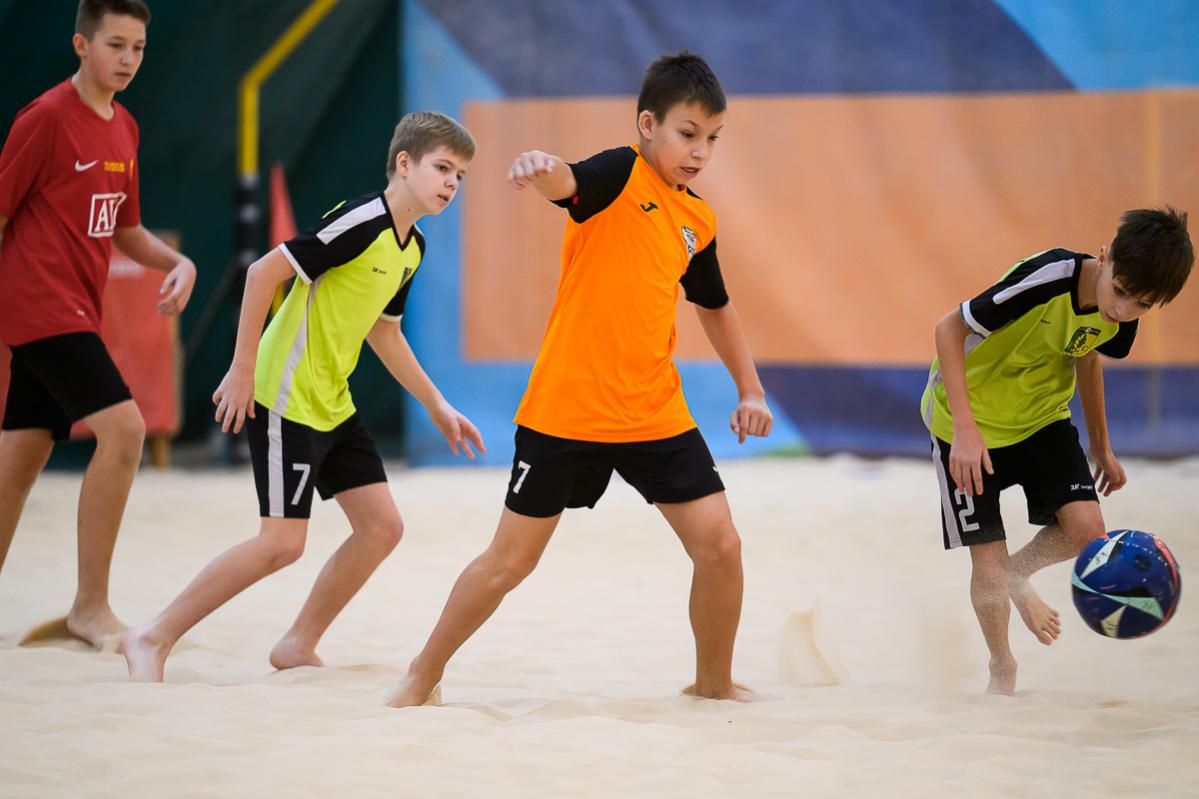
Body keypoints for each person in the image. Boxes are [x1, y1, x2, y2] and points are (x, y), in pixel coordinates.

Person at [386, 51, 773, 708]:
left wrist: (750, 389)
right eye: (687, 133)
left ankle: (713, 684)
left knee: (721, 545)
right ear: (648, 124)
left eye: (712, 138)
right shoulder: (620, 173)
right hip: (567, 409)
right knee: (510, 561)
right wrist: (543, 168)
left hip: (653, 410)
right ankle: (422, 673)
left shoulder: (697, 219)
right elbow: (571, 183)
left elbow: (713, 306)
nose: (700, 151)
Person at [121, 111, 483, 681]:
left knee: (381, 528)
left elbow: (384, 332)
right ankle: (152, 635)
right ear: (404, 163)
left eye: (460, 175)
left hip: (331, 401)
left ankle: (297, 643)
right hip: (284, 394)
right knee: (281, 543)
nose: (451, 183)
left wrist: (436, 404)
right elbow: (263, 274)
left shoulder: (412, 248)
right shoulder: (362, 220)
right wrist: (242, 369)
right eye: (443, 168)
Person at [922, 208, 1193, 695]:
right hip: (966, 421)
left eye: (1142, 304)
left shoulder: (1120, 317)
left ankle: (1013, 577)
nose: (1123, 309)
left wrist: (1101, 447)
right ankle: (1002, 667)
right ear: (1105, 257)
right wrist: (964, 429)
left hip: (1041, 417)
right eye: (1120, 291)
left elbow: (1087, 358)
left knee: (1087, 533)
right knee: (986, 564)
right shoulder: (1049, 278)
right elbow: (948, 328)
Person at [0, 0, 197, 649]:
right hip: (39, 305)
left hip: (77, 308)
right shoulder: (46, 118)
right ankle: (90, 607)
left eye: (138, 47)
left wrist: (179, 262)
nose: (129, 59)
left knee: (19, 460)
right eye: (116, 45)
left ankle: (85, 607)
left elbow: (126, 230)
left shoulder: (126, 127)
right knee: (126, 430)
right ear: (81, 45)